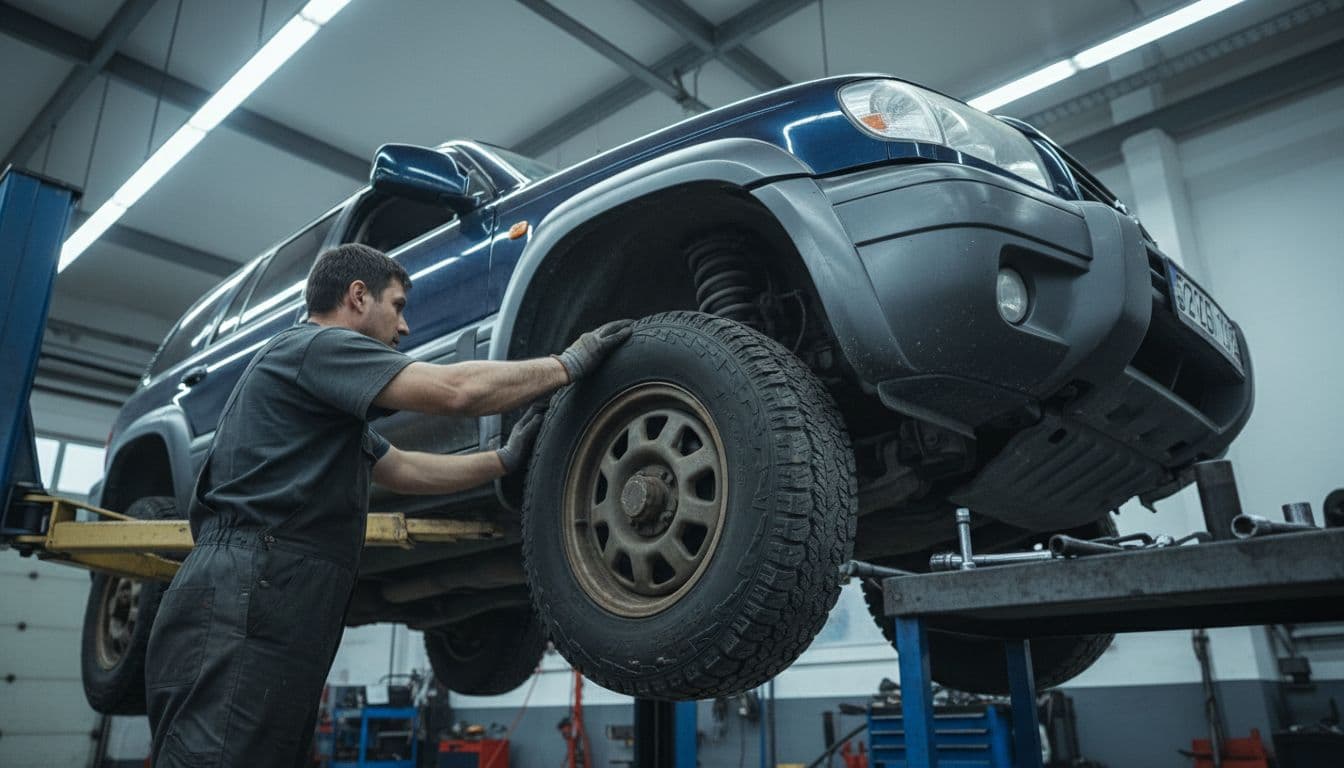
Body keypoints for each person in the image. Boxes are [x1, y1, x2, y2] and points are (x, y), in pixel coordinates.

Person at [144, 243, 632, 766]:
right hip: (245, 592)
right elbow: (455, 389)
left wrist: (504, 461)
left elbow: (404, 468)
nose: (404, 328)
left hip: (273, 595)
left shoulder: (324, 404)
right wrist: (566, 364)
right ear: (357, 297)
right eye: (397, 306)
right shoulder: (317, 347)